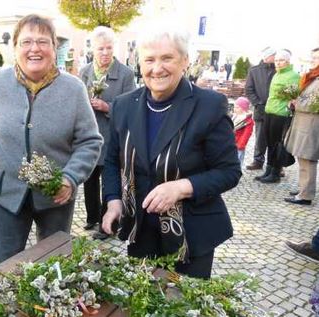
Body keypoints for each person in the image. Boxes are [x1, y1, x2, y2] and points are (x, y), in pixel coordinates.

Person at [101, 23, 241, 279]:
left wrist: (181, 187)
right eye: (149, 59)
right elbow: (111, 161)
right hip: (140, 230)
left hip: (191, 234)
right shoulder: (123, 106)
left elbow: (229, 171)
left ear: (185, 60)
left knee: (182, 304)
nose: (157, 68)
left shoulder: (209, 106)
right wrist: (113, 201)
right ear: (138, 63)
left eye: (167, 58)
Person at [0, 14, 102, 265]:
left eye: (42, 41)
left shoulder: (73, 89)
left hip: (55, 195)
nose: (34, 49)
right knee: (5, 261)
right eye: (26, 42)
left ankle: (47, 305)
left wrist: (70, 178)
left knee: (53, 263)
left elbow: (90, 142)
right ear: (15, 47)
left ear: (54, 47)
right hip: (7, 190)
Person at [79, 26, 135, 240]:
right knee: (89, 181)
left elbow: (130, 109)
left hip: (112, 138)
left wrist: (107, 107)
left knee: (109, 181)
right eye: (100, 48)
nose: (104, 52)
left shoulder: (125, 74)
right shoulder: (85, 72)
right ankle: (92, 217)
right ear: (93, 49)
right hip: (87, 137)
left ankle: (107, 224)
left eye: (109, 48)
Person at [255, 49, 300, 183]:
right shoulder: (277, 75)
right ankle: (268, 169)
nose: (278, 63)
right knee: (269, 142)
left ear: (287, 61)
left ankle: (275, 172)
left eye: (281, 60)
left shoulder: (292, 75)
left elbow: (293, 95)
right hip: (270, 111)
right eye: (276, 60)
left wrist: (281, 95)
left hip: (281, 113)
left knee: (276, 144)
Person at [284, 47, 319, 205]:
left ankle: (306, 195)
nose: (313, 61)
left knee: (307, 159)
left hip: (311, 125)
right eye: (312, 57)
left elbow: (313, 104)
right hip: (303, 122)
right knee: (302, 157)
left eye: (316, 58)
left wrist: (296, 103)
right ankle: (303, 188)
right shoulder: (311, 77)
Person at [245, 47, 276, 170]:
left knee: (276, 138)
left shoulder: (278, 71)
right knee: (260, 137)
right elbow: (249, 89)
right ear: (267, 57)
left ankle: (275, 164)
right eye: (274, 55)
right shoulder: (254, 71)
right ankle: (258, 160)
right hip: (260, 109)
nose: (276, 58)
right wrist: (258, 103)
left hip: (276, 110)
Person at [232, 97, 254, 166]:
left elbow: (246, 134)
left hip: (239, 145)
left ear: (243, 108)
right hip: (231, 143)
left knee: (238, 161)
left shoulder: (247, 121)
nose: (234, 109)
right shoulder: (235, 116)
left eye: (237, 107)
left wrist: (241, 145)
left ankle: (237, 173)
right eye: (234, 107)